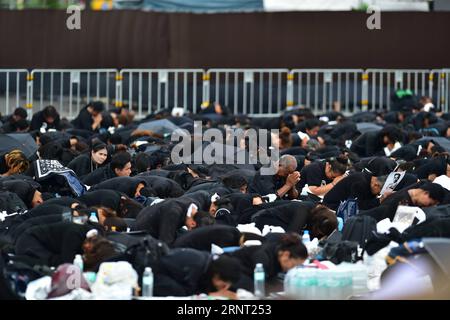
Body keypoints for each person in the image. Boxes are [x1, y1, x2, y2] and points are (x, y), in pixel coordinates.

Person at [229, 233, 308, 292]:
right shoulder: (263, 258)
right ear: (286, 255)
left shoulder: (276, 254)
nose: (293, 268)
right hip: (231, 273)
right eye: (294, 265)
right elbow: (259, 285)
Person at [135, 196, 216, 246]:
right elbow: (165, 243)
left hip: (161, 219)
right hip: (144, 230)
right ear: (193, 224)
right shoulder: (173, 213)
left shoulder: (195, 205)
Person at [360, 182, 447, 222]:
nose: (428, 207)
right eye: (431, 203)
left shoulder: (409, 193)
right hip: (364, 225)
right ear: (426, 193)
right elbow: (399, 229)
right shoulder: (404, 203)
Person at [251, 202, 338, 239]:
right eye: (319, 232)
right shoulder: (303, 211)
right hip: (263, 218)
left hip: (281, 222)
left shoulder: (317, 212)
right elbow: (292, 235)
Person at [323, 172, 387, 210]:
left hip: (343, 204)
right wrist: (378, 201)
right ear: (376, 185)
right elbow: (355, 206)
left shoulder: (369, 179)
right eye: (379, 193)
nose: (378, 195)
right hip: (332, 206)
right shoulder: (360, 183)